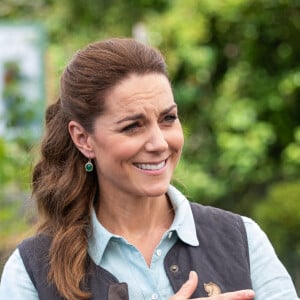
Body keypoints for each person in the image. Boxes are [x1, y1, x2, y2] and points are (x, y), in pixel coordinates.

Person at [0, 38, 298, 300]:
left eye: (168, 118)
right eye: (133, 126)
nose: (159, 143)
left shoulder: (242, 239)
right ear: (83, 139)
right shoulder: (31, 270)